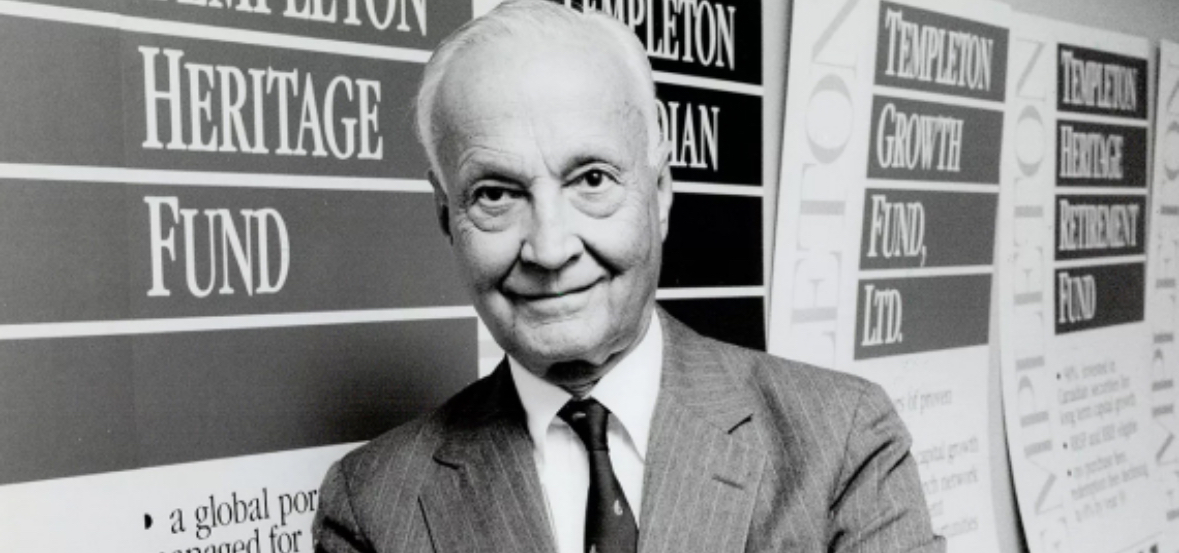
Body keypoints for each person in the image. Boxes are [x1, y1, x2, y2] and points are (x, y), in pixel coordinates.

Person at [313, 1, 944, 552]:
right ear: (446, 215)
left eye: (591, 180)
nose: (550, 249)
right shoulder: (371, 505)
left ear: (661, 191)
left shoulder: (842, 439)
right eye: (496, 194)